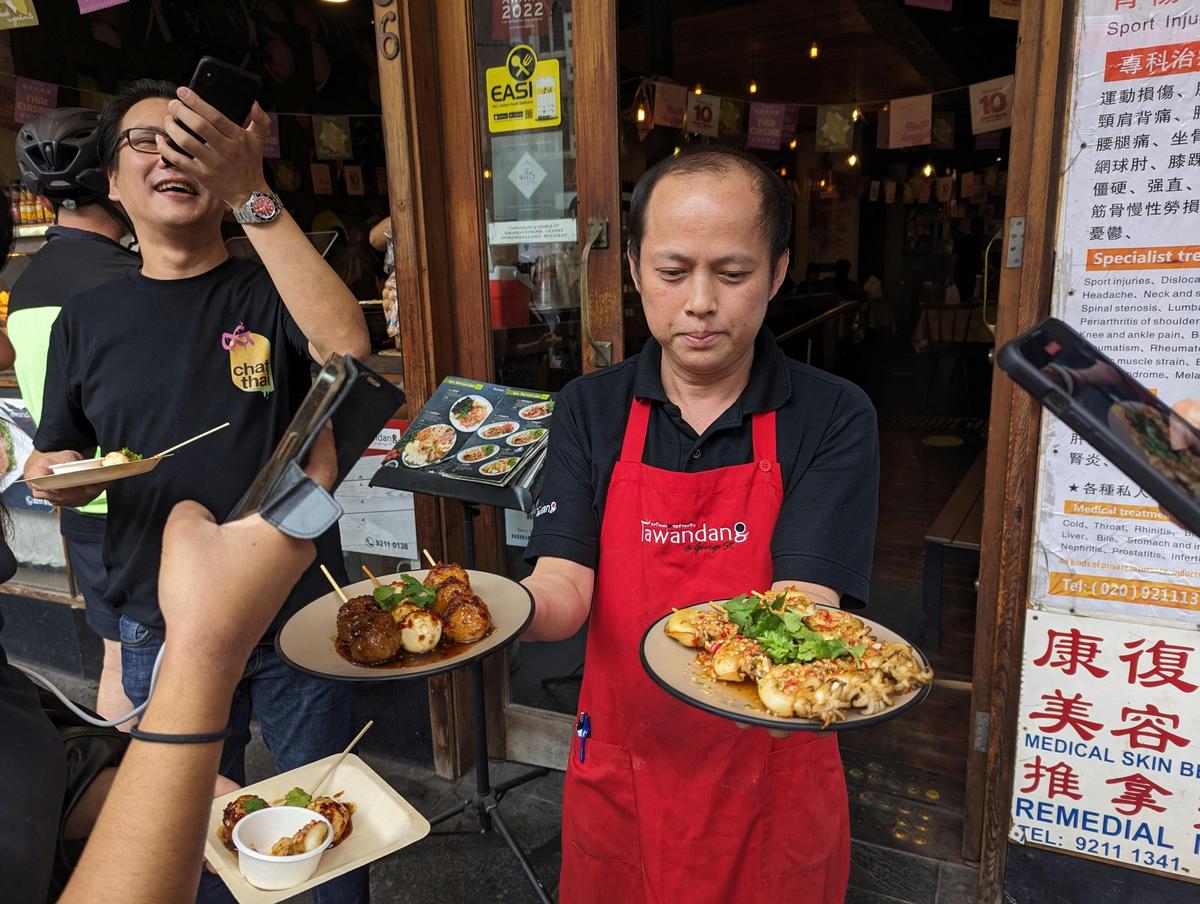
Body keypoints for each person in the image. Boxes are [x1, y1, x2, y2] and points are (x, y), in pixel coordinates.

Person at [24, 79, 370, 904]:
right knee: (187, 840)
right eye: (145, 141)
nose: (168, 154)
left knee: (330, 830)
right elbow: (57, 449)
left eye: (188, 140)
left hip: (295, 607)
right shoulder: (85, 318)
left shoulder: (269, 290)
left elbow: (346, 346)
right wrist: (55, 479)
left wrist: (253, 193)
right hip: (158, 621)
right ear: (110, 182)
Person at [520, 147, 879, 903]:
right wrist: (497, 614)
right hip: (624, 762)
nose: (701, 302)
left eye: (734, 273)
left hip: (770, 762)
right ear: (634, 268)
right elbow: (562, 584)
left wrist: (791, 689)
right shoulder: (589, 408)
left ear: (778, 273)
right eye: (674, 271)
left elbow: (803, 606)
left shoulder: (833, 414)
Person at [10, 107, 141, 724]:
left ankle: (126, 797)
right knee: (163, 666)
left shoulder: (25, 281)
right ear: (111, 179)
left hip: (78, 504)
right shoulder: (131, 280)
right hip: (143, 503)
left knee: (118, 655)